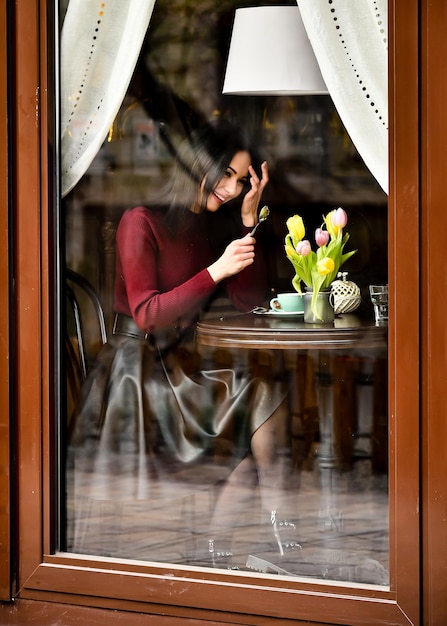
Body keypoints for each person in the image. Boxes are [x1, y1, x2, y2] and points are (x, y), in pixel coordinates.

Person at [68, 118, 299, 569]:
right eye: (227, 175)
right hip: (137, 377)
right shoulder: (141, 221)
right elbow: (147, 314)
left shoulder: (210, 224)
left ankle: (266, 534)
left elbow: (249, 301)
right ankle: (250, 543)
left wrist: (248, 221)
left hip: (182, 366)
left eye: (240, 179)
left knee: (267, 397)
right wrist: (214, 271)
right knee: (259, 412)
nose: (232, 189)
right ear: (200, 164)